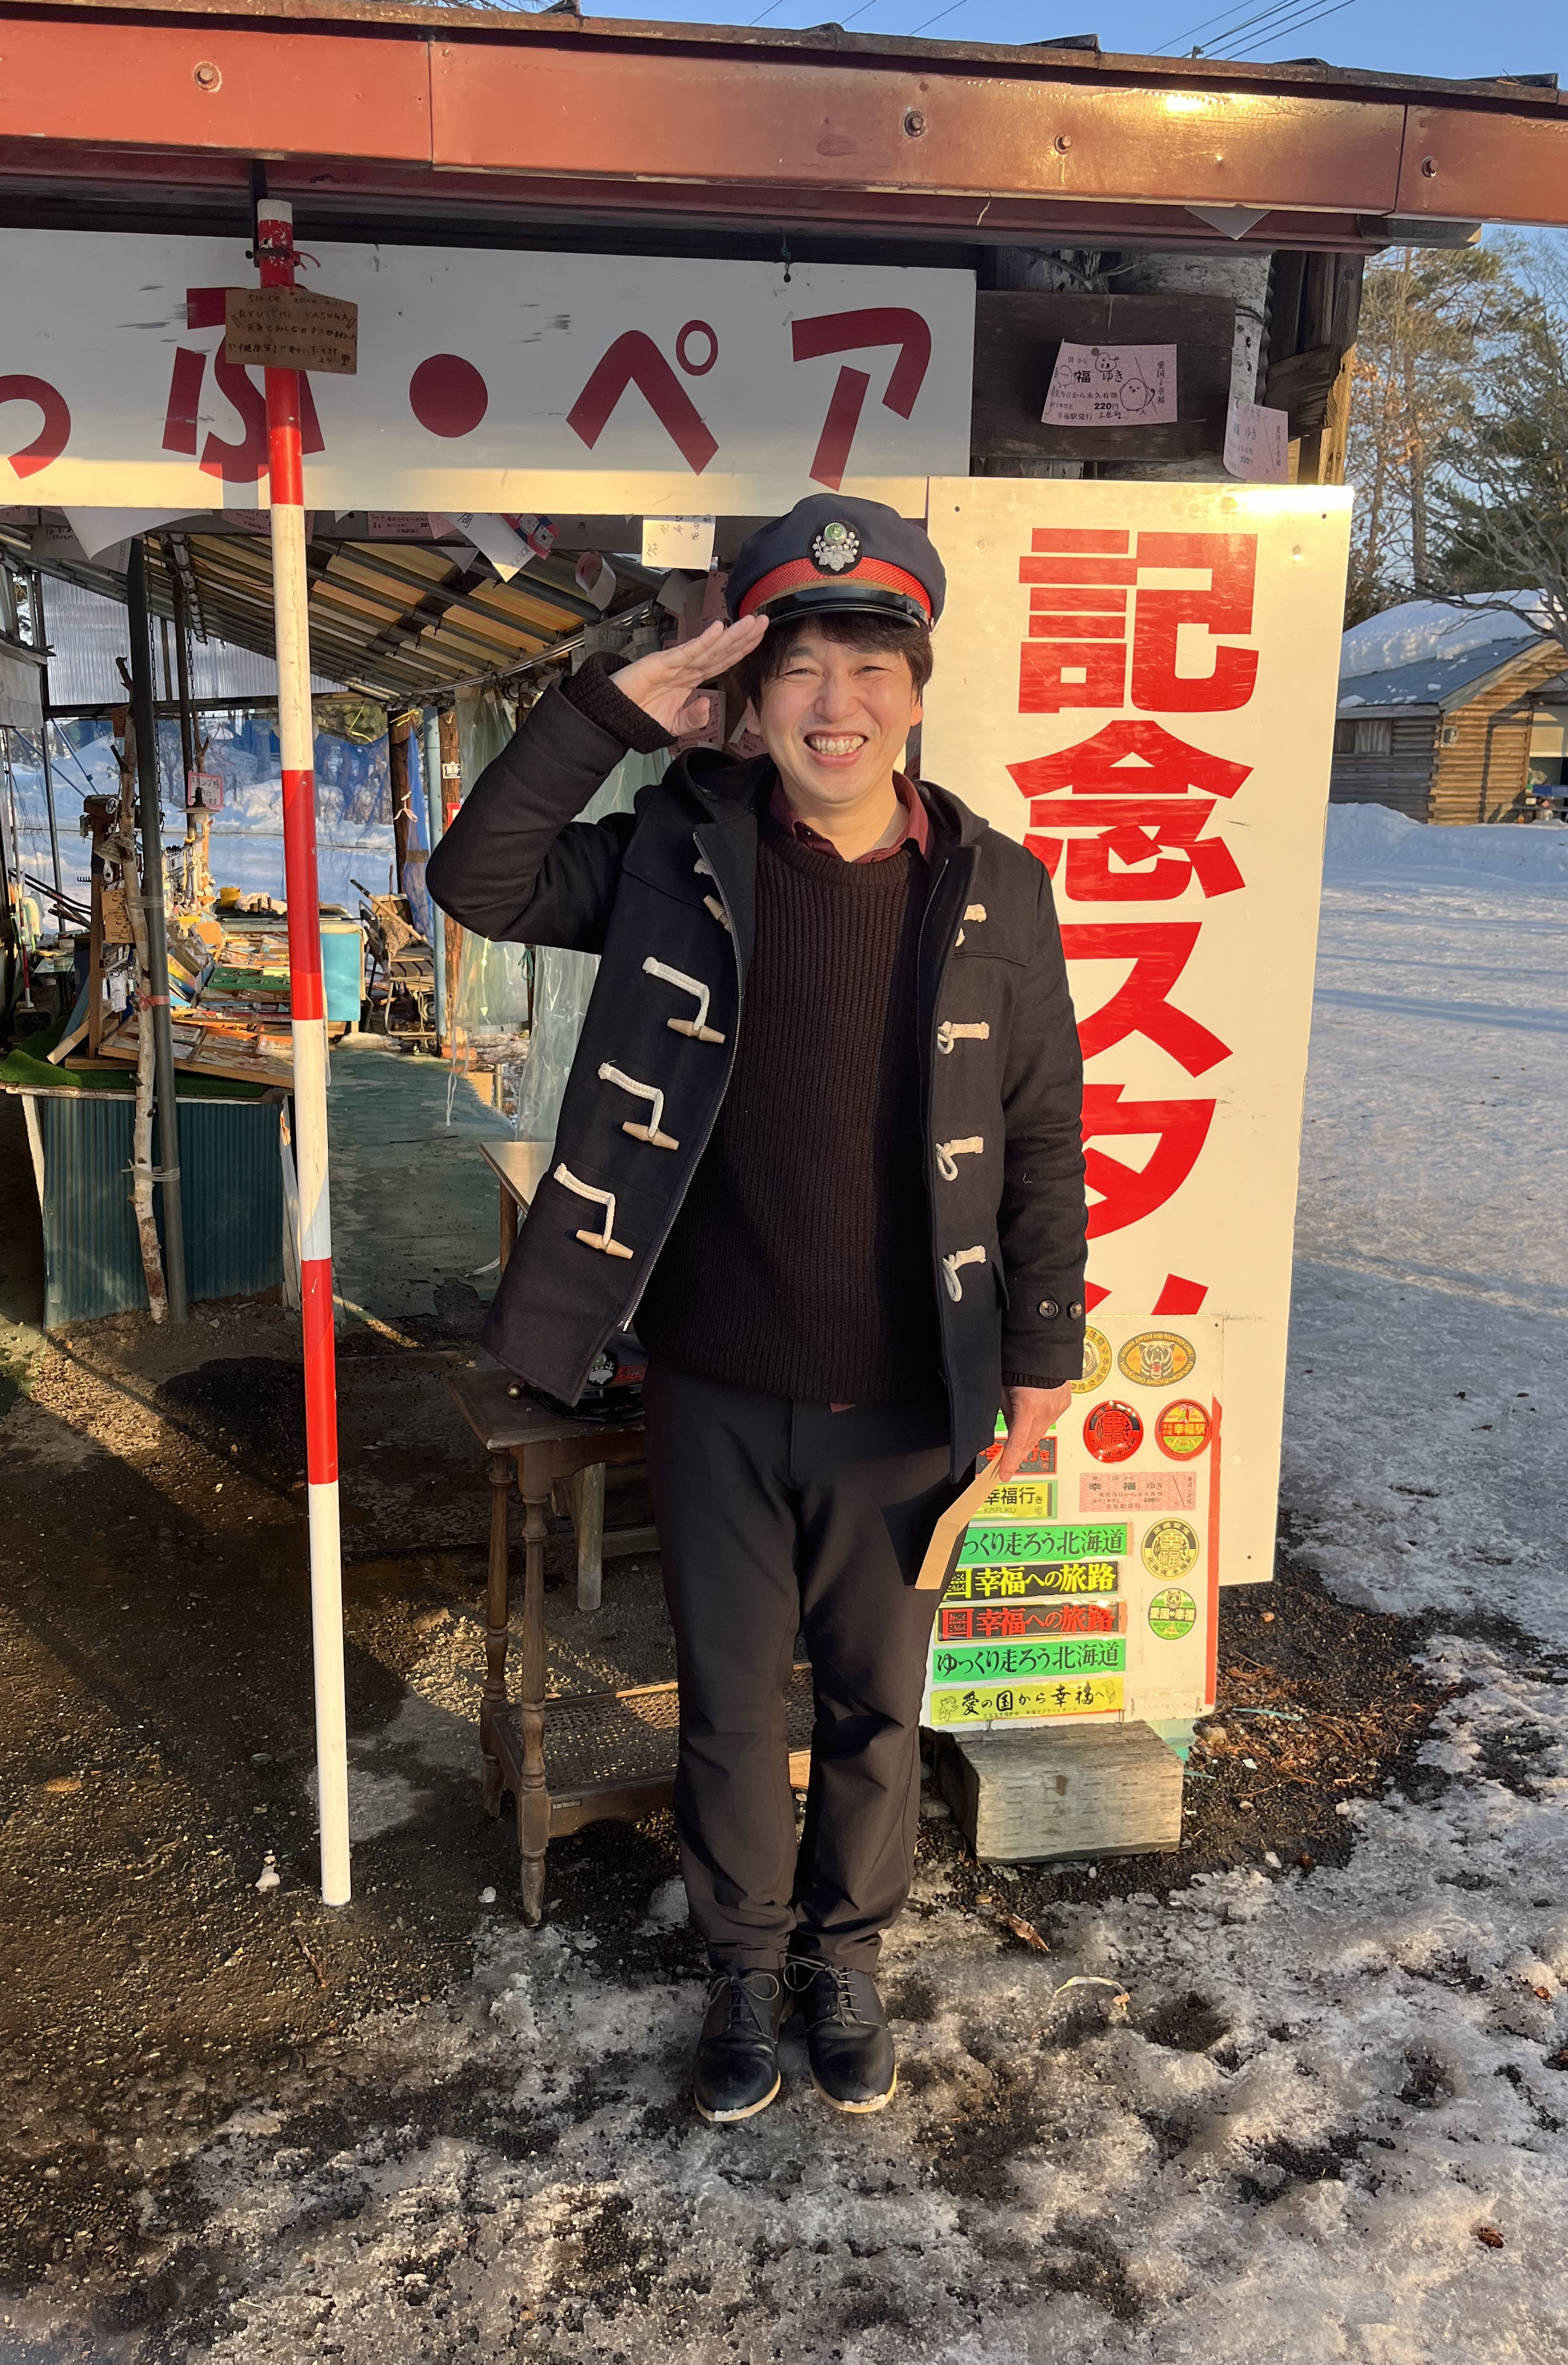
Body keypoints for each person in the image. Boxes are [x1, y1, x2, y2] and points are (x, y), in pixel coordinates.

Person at [427, 493, 1088, 2124]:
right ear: (752, 688)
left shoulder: (997, 887)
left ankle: (842, 1964)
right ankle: (738, 1969)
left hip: (906, 1395)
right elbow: (479, 877)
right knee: (729, 1708)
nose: (834, 702)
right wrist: (612, 711)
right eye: (799, 665)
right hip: (713, 1379)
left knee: (876, 1709)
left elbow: (1042, 1134)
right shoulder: (678, 848)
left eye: (870, 665)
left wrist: (1041, 1357)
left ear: (918, 690)